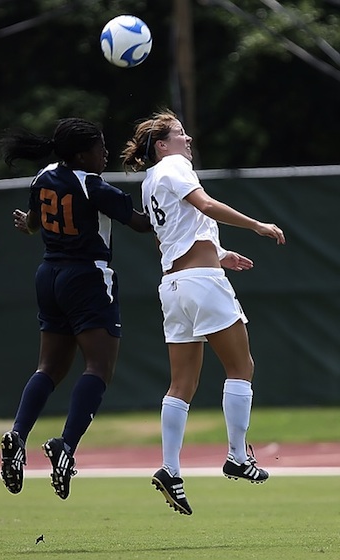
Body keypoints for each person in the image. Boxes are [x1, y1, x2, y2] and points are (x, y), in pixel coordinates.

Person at [121, 109, 286, 516]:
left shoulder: (147, 183)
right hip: (201, 284)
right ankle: (236, 456)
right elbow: (206, 205)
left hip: (172, 287)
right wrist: (256, 226)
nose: (187, 139)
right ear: (162, 145)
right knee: (241, 367)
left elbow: (173, 237)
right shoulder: (174, 165)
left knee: (181, 385)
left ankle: (170, 469)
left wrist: (220, 252)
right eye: (179, 134)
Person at [0, 117, 150, 500]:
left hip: (48, 275)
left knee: (48, 367)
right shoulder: (93, 186)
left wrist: (27, 225)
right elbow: (142, 224)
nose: (106, 152)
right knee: (98, 368)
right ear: (81, 154)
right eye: (100, 146)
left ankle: (18, 434)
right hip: (87, 278)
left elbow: (33, 224)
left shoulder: (44, 176)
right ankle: (65, 445)